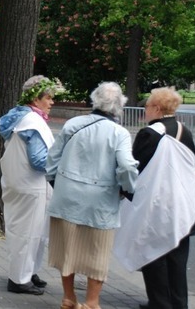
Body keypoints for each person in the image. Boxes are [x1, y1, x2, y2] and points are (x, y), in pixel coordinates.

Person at [45, 82, 139, 309]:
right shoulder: (119, 133)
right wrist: (127, 188)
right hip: (101, 202)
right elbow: (126, 167)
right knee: (97, 251)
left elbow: (51, 161)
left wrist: (57, 184)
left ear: (94, 100)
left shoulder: (72, 125)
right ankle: (92, 302)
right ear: (119, 106)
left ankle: (68, 298)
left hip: (67, 197)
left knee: (67, 248)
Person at [114, 87, 195, 309]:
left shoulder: (150, 133)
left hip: (156, 204)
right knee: (178, 258)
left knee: (152, 252)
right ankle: (179, 303)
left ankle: (159, 302)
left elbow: (135, 168)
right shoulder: (184, 130)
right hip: (183, 203)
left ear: (157, 108)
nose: (145, 110)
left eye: (147, 106)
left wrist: (122, 192)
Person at [0, 76, 57, 295]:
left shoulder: (18, 117)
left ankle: (28, 272)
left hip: (17, 182)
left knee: (28, 231)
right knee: (30, 232)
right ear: (36, 98)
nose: (52, 102)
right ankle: (20, 279)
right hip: (31, 185)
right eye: (49, 98)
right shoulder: (33, 122)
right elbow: (39, 160)